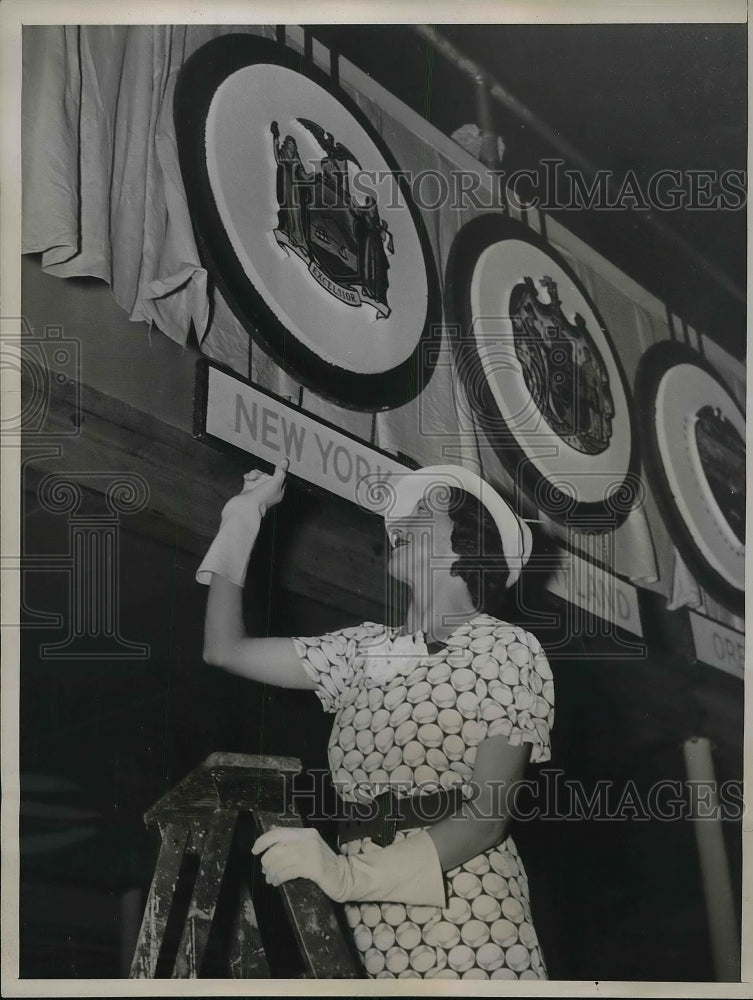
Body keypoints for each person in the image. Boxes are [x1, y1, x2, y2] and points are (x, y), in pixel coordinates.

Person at [199, 460, 555, 980]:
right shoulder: (366, 650)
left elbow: (487, 816)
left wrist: (348, 875)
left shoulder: (504, 646)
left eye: (424, 510)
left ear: (465, 540)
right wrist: (242, 517)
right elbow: (224, 649)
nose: (400, 521)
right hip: (368, 917)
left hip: (468, 909)